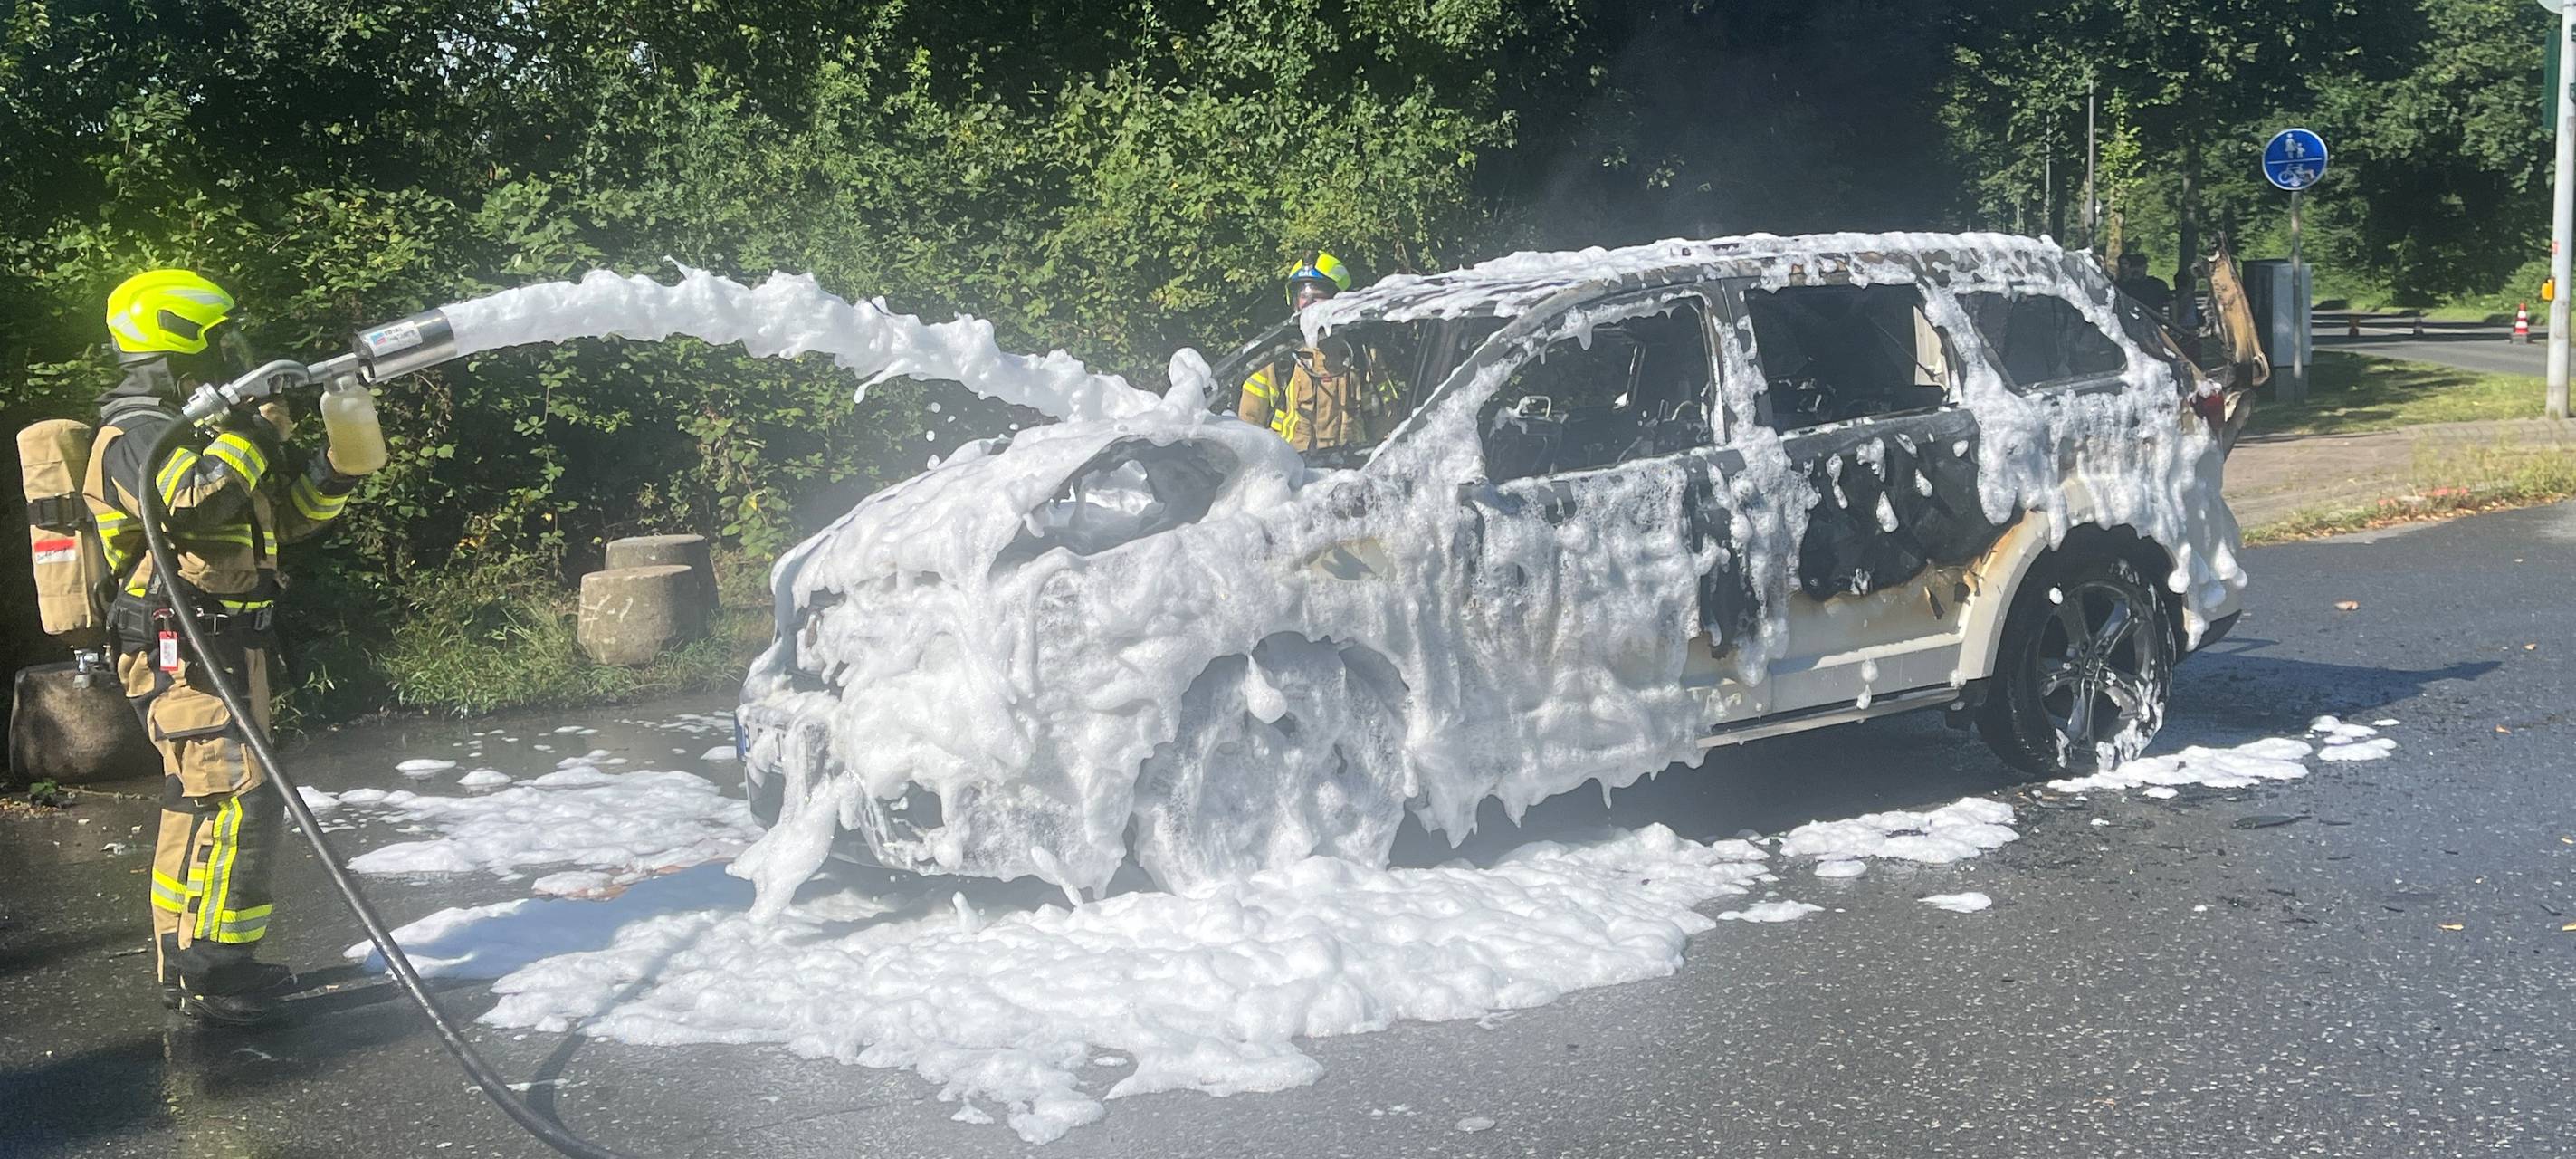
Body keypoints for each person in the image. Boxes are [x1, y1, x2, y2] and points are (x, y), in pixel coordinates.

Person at [83, 270, 380, 1026]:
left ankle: (186, 966)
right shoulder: (136, 435)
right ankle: (218, 970)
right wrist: (255, 429)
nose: (228, 357)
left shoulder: (200, 438)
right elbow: (193, 502)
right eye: (218, 341)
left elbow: (284, 521)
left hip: (228, 647)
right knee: (242, 798)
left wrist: (335, 466)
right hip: (184, 647)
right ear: (176, 338)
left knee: (201, 800)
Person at [1237, 251, 1381, 452]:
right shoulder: (1276, 358)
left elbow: (1385, 422)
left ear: (1339, 300)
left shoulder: (1361, 353)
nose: (1309, 305)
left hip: (1351, 471)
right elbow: (1248, 426)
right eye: (1304, 296)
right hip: (1297, 475)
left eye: (1318, 297)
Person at [2115, 252, 2173, 318]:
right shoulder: (2121, 287)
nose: (2136, 269)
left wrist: (2174, 323)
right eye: (2133, 266)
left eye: (2139, 266)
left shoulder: (2158, 284)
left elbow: (2172, 303)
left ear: (2146, 267)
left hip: (2154, 323)